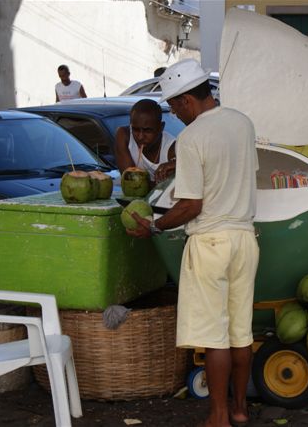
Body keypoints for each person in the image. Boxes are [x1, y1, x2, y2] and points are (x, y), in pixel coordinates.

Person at [126, 58, 259, 427]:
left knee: (215, 337)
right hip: (245, 239)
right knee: (240, 332)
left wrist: (155, 226)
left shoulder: (192, 137)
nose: (175, 114)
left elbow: (190, 206)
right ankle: (239, 409)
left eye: (174, 107)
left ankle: (218, 417)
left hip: (210, 243)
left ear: (186, 100)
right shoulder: (242, 123)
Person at [114, 98, 176, 186]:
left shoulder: (172, 149)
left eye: (147, 131)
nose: (140, 137)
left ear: (161, 127)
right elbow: (130, 181)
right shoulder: (124, 136)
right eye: (135, 129)